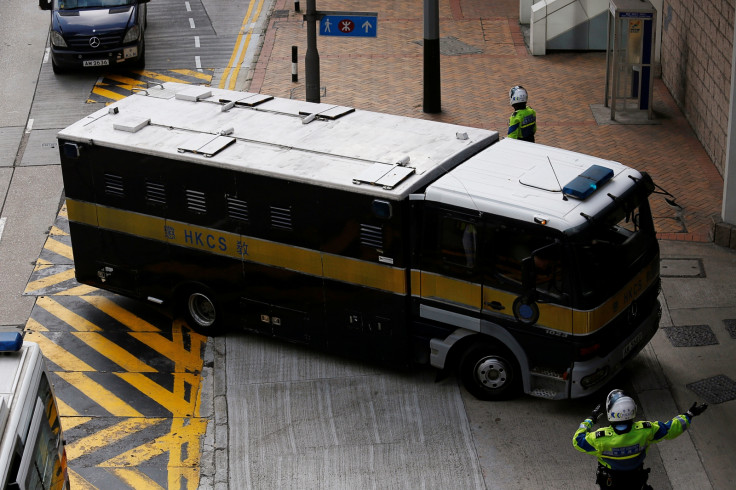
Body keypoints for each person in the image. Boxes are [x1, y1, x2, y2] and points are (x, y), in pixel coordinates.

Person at [573, 389, 708, 489]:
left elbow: (578, 441)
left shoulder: (600, 438)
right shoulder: (646, 430)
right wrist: (689, 415)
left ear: (610, 412)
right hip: (636, 481)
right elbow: (670, 429)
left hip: (611, 482)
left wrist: (590, 420)